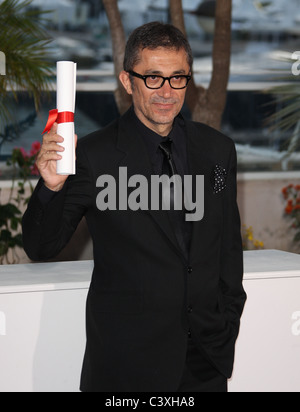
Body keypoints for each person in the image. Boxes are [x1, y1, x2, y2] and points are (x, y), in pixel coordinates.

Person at [22, 22, 246, 392]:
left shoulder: (217, 151)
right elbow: (41, 246)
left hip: (205, 363)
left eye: (177, 78)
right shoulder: (94, 155)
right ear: (128, 81)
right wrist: (50, 187)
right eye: (153, 78)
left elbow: (227, 250)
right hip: (126, 366)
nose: (167, 92)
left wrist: (225, 328)